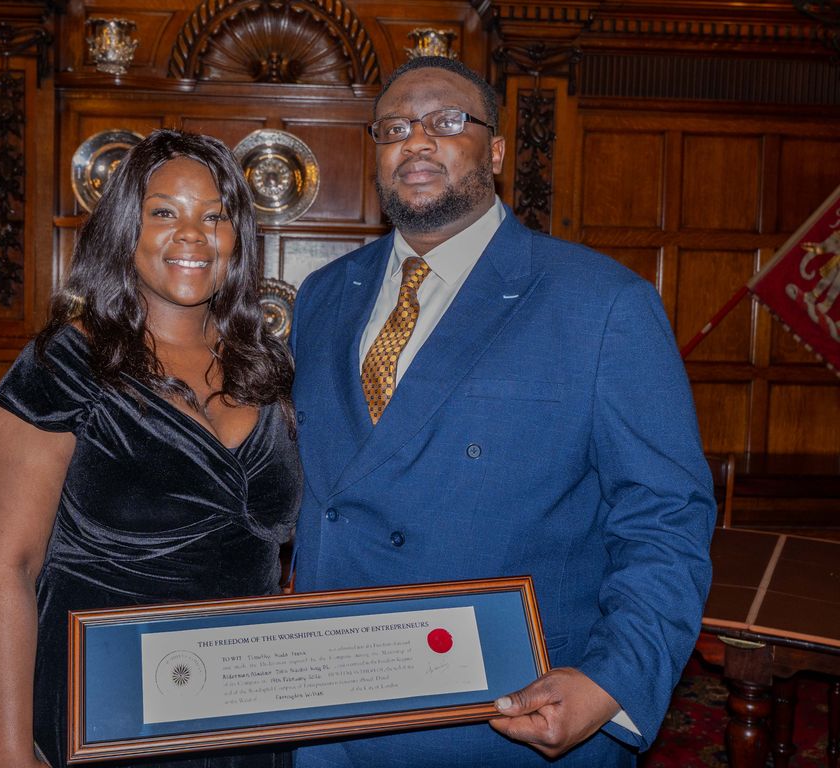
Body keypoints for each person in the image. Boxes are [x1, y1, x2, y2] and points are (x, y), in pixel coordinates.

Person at [288, 55, 715, 766]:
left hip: (506, 716)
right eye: (394, 127)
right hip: (329, 715)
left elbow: (666, 515)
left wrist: (611, 680)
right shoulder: (323, 295)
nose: (416, 140)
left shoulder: (601, 302)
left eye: (446, 121)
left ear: (495, 150)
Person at [0, 129, 301, 768]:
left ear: (238, 238)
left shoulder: (269, 367)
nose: (193, 235)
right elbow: (6, 566)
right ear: (127, 229)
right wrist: (11, 752)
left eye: (215, 216)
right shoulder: (66, 363)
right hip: (102, 703)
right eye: (165, 213)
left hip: (242, 705)